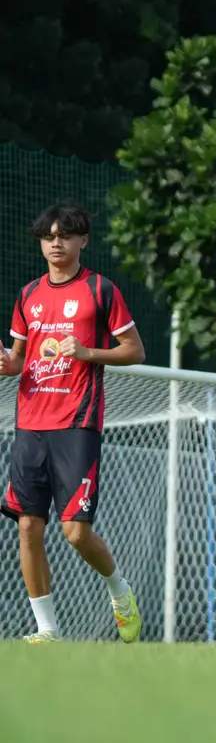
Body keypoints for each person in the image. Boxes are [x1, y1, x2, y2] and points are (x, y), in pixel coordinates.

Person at [2, 202, 145, 643]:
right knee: (28, 526)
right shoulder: (28, 295)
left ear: (83, 240)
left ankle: (119, 591)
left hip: (76, 425)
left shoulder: (100, 290)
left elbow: (135, 350)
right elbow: (18, 360)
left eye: (65, 235)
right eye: (49, 237)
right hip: (30, 425)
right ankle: (47, 630)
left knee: (76, 532)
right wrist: (5, 364)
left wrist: (87, 352)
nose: (56, 243)